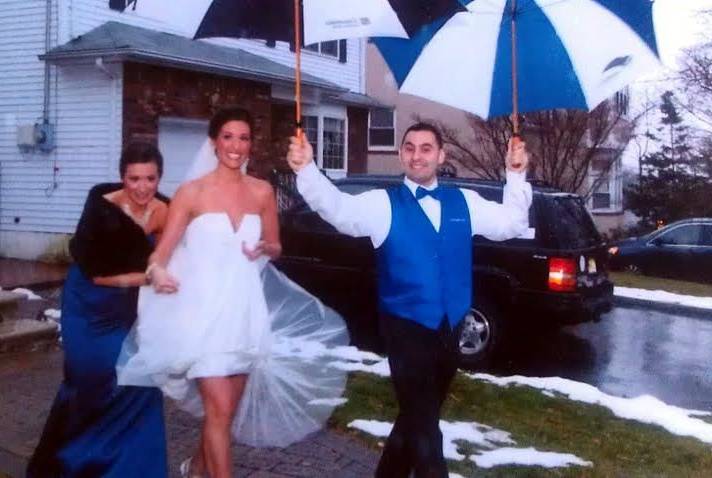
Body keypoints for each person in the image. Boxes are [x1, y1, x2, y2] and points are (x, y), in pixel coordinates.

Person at [287, 122, 532, 478]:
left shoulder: (463, 201)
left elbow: (511, 223)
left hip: (451, 329)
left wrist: (515, 174)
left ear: (441, 155)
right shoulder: (382, 204)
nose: (417, 155)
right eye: (410, 147)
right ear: (402, 154)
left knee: (415, 421)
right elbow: (338, 210)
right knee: (427, 437)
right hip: (404, 329)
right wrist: (307, 169)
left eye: (426, 148)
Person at [115, 107, 349, 478]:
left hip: (243, 312)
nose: (236, 146)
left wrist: (265, 249)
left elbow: (275, 245)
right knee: (220, 412)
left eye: (243, 138)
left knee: (222, 413)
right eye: (228, 137)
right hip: (201, 313)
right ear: (213, 142)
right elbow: (162, 252)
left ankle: (196, 469)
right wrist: (157, 271)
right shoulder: (191, 193)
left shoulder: (262, 191)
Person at [26, 143, 169, 478]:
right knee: (91, 381)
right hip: (87, 304)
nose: (142, 187)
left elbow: (167, 255)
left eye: (150, 178)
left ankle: (129, 469)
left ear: (159, 177)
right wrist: (149, 278)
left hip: (125, 310)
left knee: (142, 383)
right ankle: (72, 461)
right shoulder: (101, 208)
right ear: (122, 178)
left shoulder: (164, 210)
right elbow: (98, 275)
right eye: (134, 179)